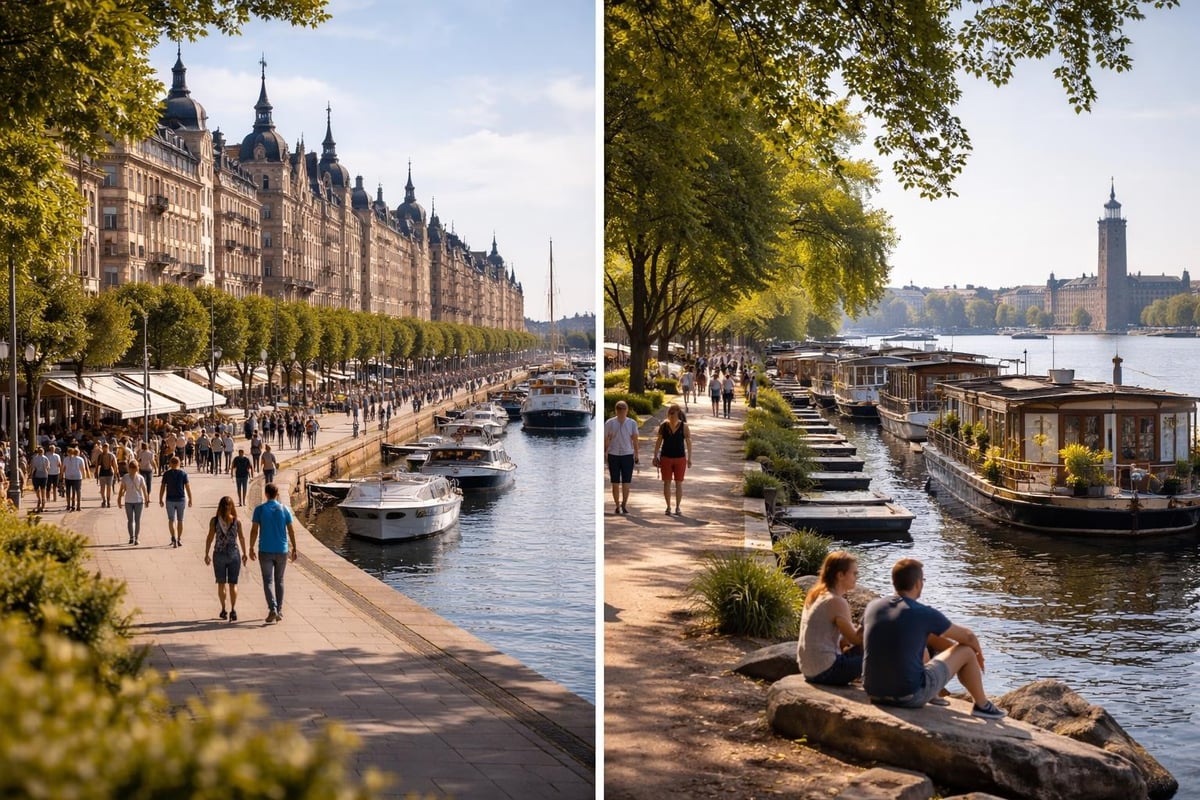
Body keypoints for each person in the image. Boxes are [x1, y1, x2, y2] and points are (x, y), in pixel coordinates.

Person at [862, 558, 1006, 719]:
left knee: (919, 645)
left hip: (873, 691)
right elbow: (968, 637)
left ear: (894, 581)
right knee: (966, 650)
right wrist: (979, 656)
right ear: (918, 583)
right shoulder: (923, 613)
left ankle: (935, 695)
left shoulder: (873, 607)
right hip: (908, 696)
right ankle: (982, 705)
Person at [796, 552, 864, 685]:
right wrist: (870, 623)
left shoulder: (816, 594)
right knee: (878, 649)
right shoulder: (835, 601)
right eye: (854, 573)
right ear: (840, 575)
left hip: (808, 669)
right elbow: (855, 639)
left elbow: (844, 641)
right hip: (827, 671)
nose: (857, 577)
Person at [249, 482, 298, 623]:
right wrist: (294, 547)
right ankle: (280, 610)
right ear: (277, 494)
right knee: (280, 580)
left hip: (265, 549)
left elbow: (254, 530)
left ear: (266, 494)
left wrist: (251, 547)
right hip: (282, 550)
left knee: (268, 580)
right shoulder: (285, 510)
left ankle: (272, 609)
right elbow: (291, 530)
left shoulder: (260, 510)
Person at [204, 495, 248, 622]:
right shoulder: (236, 521)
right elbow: (241, 538)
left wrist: (206, 554)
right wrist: (244, 553)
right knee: (233, 584)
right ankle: (233, 610)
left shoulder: (215, 521)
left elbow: (210, 538)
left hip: (219, 554)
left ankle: (223, 609)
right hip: (234, 554)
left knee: (221, 583)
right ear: (232, 507)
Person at [653, 403, 692, 516]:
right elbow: (658, 442)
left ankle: (678, 507)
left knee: (678, 483)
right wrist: (655, 456)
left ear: (678, 414)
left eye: (673, 414)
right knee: (667, 483)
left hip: (680, 458)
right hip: (666, 457)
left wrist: (689, 458)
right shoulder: (663, 426)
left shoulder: (684, 427)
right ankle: (668, 506)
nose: (671, 416)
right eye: (669, 414)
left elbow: (689, 443)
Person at [603, 400, 640, 515]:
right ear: (616, 411)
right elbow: (606, 439)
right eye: (619, 410)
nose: (621, 412)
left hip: (627, 455)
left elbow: (635, 439)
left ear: (627, 410)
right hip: (613, 455)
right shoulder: (610, 423)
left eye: (623, 409)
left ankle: (624, 504)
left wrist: (636, 454)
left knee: (626, 482)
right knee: (615, 482)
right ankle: (617, 505)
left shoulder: (632, 423)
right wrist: (605, 452)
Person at [159, 455, 193, 547]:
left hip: (170, 499)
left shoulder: (166, 474)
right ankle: (179, 539)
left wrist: (160, 498)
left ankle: (173, 536)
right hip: (181, 499)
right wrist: (190, 498)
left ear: (170, 463)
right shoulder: (183, 474)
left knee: (171, 519)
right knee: (180, 520)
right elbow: (187, 487)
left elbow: (162, 487)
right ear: (179, 463)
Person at [116, 460, 148, 545]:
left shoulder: (140, 478)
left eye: (134, 468)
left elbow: (144, 490)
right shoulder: (125, 477)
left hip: (138, 501)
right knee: (130, 520)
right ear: (129, 468)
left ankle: (136, 537)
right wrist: (119, 499)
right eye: (131, 468)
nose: (133, 470)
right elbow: (121, 489)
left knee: (137, 520)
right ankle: (131, 537)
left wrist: (146, 499)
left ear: (137, 468)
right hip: (128, 501)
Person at [61, 446, 90, 512]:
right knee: (77, 491)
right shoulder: (80, 459)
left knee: (68, 491)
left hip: (68, 477)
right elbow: (82, 469)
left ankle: (69, 505)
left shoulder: (65, 459)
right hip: (77, 477)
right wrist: (84, 476)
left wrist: (62, 475)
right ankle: (78, 506)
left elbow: (63, 468)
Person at [95, 441, 118, 508]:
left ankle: (105, 500)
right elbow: (115, 465)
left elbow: (97, 465)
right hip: (109, 472)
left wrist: (96, 472)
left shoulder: (100, 456)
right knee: (108, 488)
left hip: (103, 472)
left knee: (103, 488)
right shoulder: (111, 455)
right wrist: (116, 473)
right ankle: (107, 501)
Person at [29, 446, 49, 512]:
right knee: (43, 489)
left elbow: (32, 467)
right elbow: (48, 467)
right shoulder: (46, 458)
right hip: (44, 475)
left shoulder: (34, 458)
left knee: (37, 489)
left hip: (36, 475)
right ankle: (43, 503)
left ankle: (39, 499)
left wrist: (31, 475)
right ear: (43, 452)